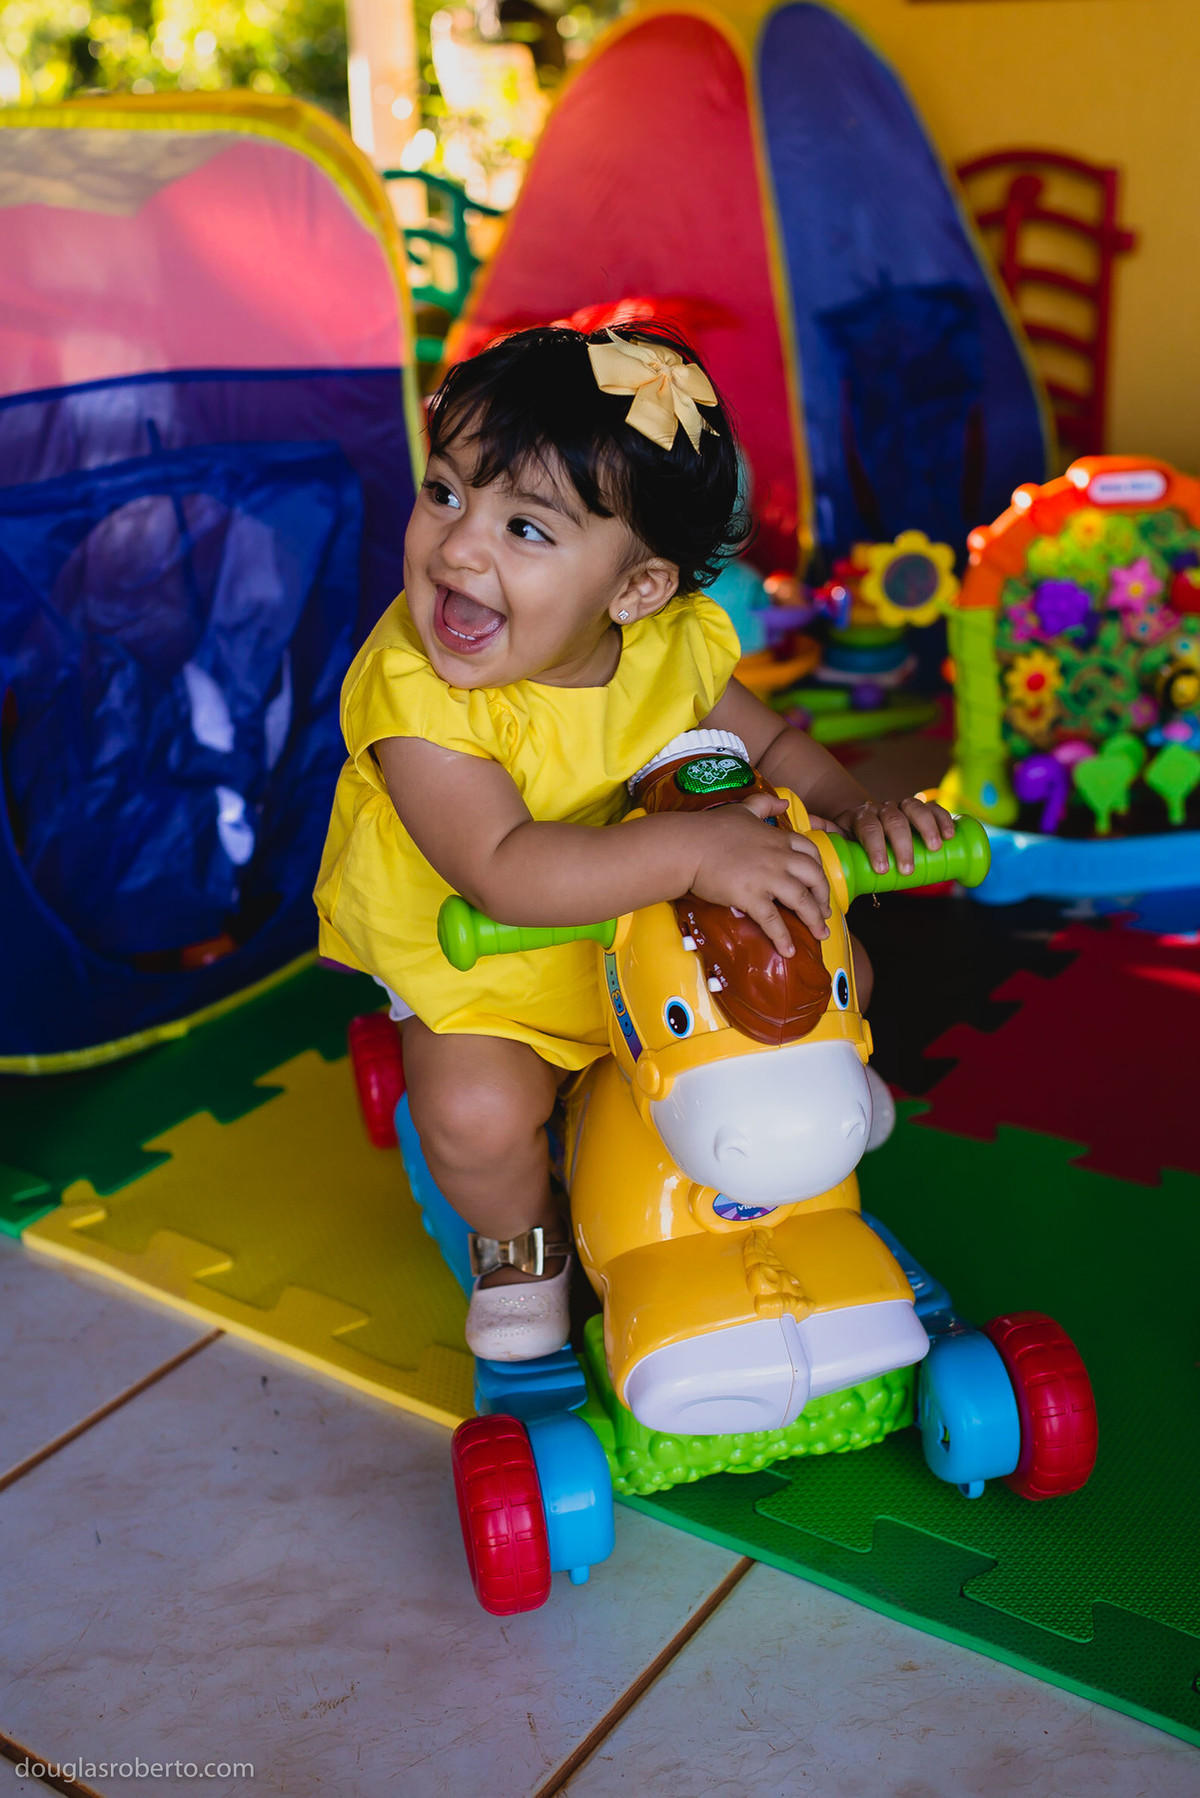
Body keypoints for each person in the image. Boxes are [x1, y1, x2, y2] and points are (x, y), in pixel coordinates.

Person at [315, 324, 954, 1362]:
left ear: (637, 590)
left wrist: (852, 812)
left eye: (526, 528)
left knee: (844, 964)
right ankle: (518, 1239)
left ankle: (801, 1104)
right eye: (445, 493)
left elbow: (773, 744)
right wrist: (698, 856)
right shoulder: (417, 696)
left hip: (652, 939)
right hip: (489, 974)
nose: (458, 547)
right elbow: (503, 868)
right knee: (476, 1113)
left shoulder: (666, 644)